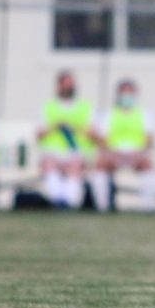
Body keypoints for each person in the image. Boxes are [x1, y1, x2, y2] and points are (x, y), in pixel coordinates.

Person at [90, 79, 155, 212]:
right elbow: (102, 140)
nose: (127, 97)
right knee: (100, 165)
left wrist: (137, 152)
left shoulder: (145, 114)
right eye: (124, 93)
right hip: (114, 154)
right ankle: (102, 207)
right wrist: (113, 152)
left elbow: (149, 139)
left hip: (136, 154)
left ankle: (148, 207)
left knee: (148, 165)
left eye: (130, 93)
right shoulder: (108, 115)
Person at [37, 70, 96, 209]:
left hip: (77, 151)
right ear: (58, 86)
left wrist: (76, 128)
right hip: (53, 152)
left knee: (75, 166)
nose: (69, 87)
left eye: (71, 84)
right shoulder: (48, 107)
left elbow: (93, 134)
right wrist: (56, 126)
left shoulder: (86, 107)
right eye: (66, 84)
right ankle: (57, 200)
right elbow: (39, 134)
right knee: (49, 163)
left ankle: (70, 201)